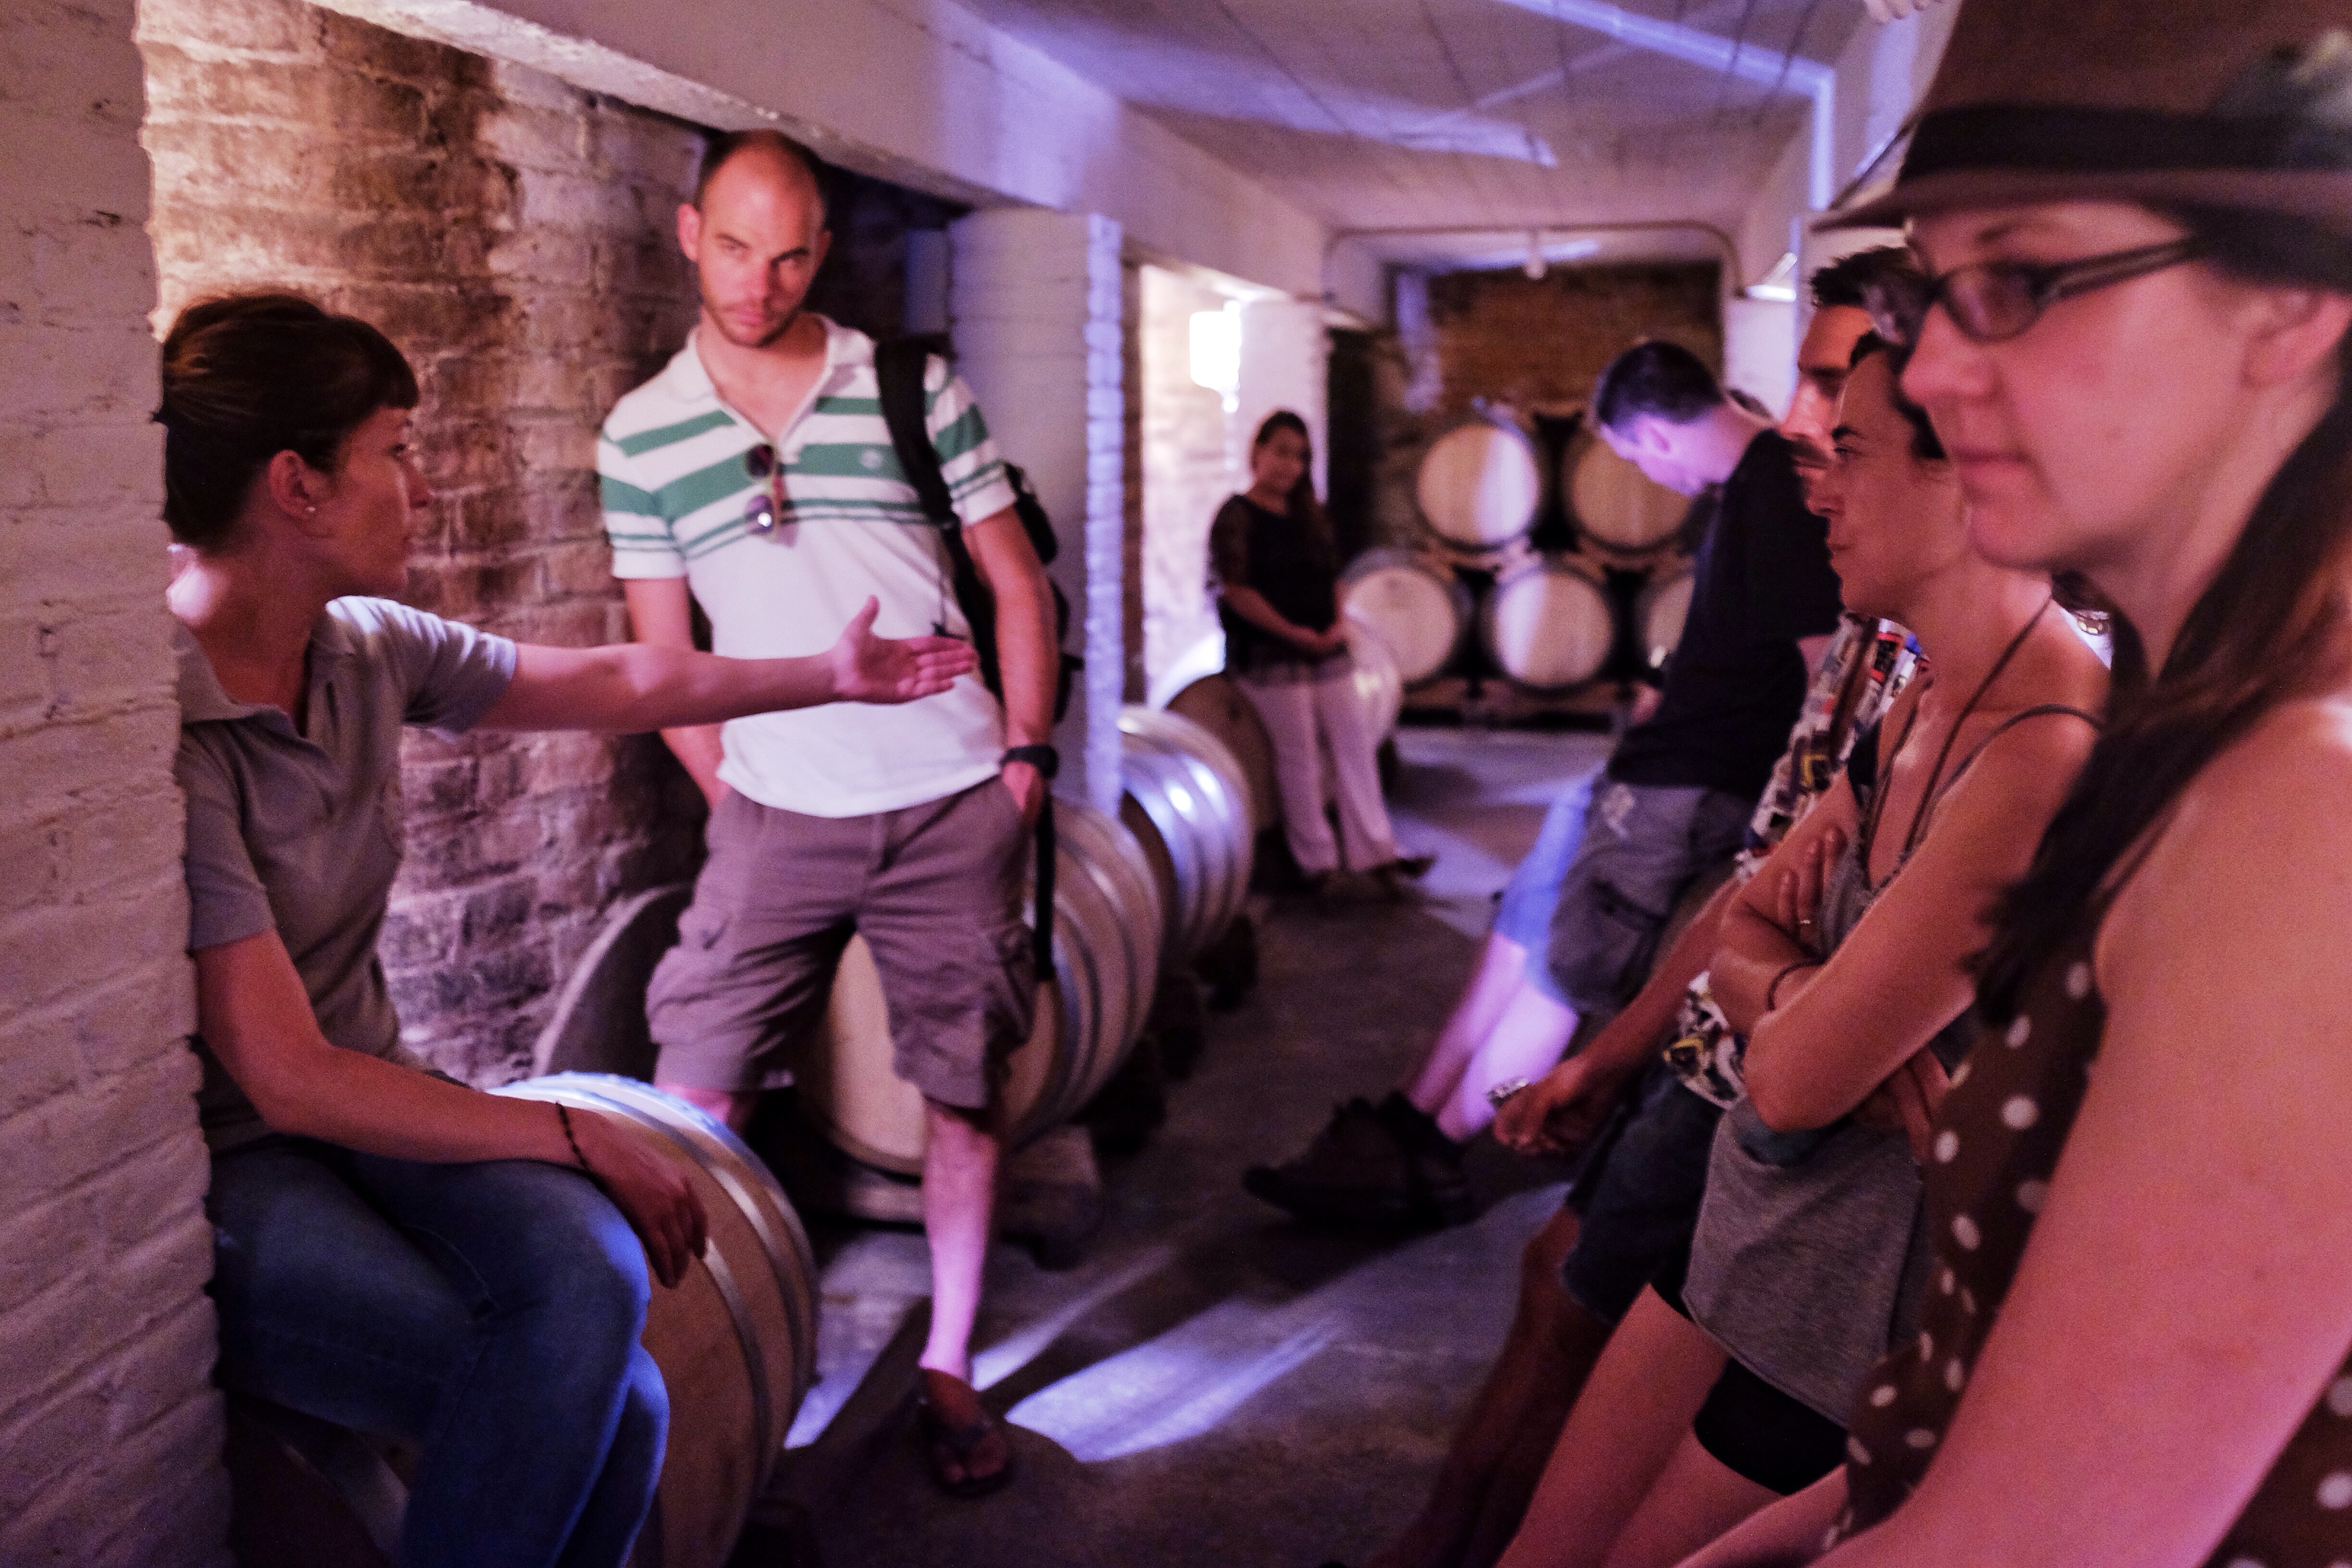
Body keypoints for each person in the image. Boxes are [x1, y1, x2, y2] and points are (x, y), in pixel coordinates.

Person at [1683, 5, 2352, 1566]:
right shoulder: (2207, 727)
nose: (1925, 366)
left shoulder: (2300, 814)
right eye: (1929, 288)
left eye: (2017, 281)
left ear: (2291, 300)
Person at [171, 292, 976, 1568]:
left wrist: (826, 674)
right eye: (394, 449)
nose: (422, 487)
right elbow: (287, 1077)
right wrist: (573, 1127)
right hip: (233, 1163)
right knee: (608, 1387)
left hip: (374, 1103)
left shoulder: (363, 649)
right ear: (298, 485)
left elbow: (615, 681)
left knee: (595, 1306)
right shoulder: (168, 728)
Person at [1327, 254, 1915, 1568]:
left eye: (1840, 387)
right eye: (1811, 381)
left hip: (1779, 1135)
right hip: (1715, 1064)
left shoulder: (1991, 692)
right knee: (1560, 1290)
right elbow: (1771, 883)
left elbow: (1814, 967)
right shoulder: (1888, 660)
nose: (1802, 425)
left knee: (1584, 1323)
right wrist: (1624, 1047)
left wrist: (1744, 984)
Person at [1485, 334, 2107, 1568]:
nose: (1813, 484)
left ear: (1968, 480)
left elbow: (1790, 1077)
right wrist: (1801, 991)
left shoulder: (2037, 745)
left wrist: (1784, 1003)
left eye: (1852, 452)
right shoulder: (1917, 695)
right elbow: (1744, 921)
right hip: (1753, 1230)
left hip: (1844, 1311)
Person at [598, 130, 1057, 1498]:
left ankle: (950, 1365)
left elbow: (1013, 581)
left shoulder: (907, 386)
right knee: (694, 1089)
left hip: (948, 800)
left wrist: (1022, 765)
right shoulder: (642, 431)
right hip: (771, 816)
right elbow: (655, 655)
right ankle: (694, 1374)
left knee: (963, 1094)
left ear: (822, 249)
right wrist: (725, 787)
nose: (760, 278)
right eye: (735, 246)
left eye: (790, 250)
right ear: (690, 234)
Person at [1247, 340, 1844, 1237]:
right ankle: (1411, 1113)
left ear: (1653, 430)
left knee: (1558, 973)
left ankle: (1435, 1151)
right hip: (1650, 769)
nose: (1645, 471)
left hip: (1684, 787)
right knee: (1518, 927)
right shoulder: (1749, 490)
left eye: (1637, 454)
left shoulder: (1772, 489)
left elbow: (1817, 670)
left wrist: (1800, 808)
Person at [1212, 408, 1429, 897]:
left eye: (1300, 456)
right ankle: (1319, 865)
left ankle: (1377, 853)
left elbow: (1333, 577)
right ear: (1257, 453)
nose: (1290, 466)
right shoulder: (1237, 515)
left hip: (1322, 647)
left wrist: (1336, 624)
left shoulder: (1309, 512)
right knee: (1300, 757)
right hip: (1269, 654)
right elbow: (1236, 589)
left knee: (1354, 743)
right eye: (1281, 452)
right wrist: (1291, 632)